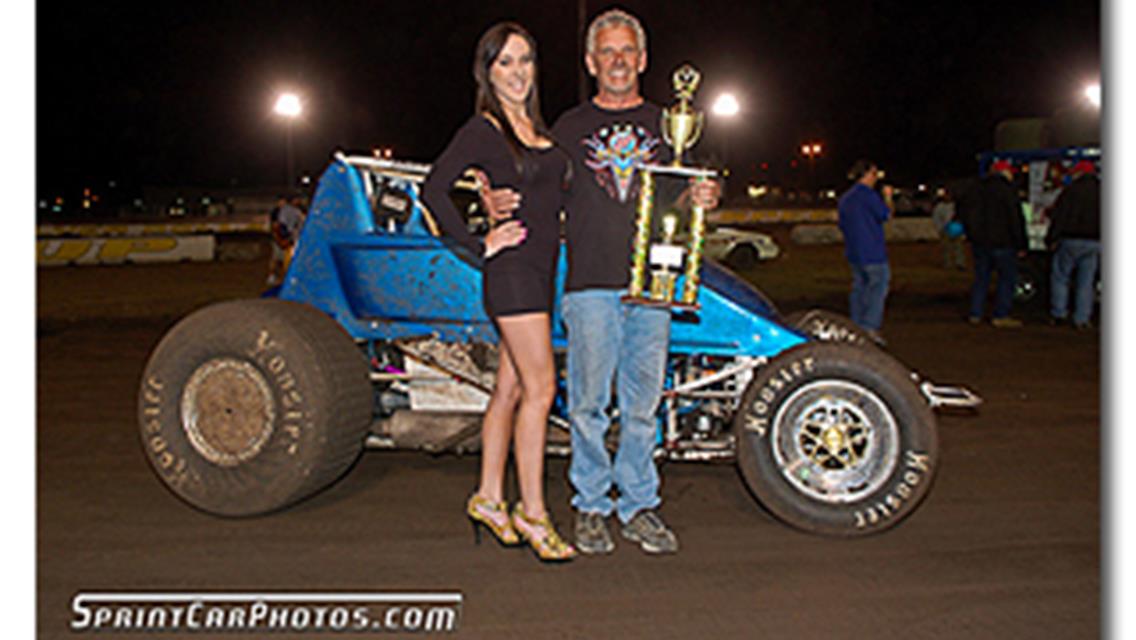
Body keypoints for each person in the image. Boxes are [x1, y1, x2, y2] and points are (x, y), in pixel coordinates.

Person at [484, 8, 720, 555]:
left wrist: (704, 197)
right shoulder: (565, 128)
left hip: (653, 287)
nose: (618, 61)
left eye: (627, 52)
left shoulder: (670, 126)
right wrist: (492, 195)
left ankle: (638, 504)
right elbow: (529, 182)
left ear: (642, 59)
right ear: (592, 63)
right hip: (589, 284)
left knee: (642, 404)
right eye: (607, 52)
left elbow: (683, 193)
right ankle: (590, 505)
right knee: (588, 404)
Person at [421, 22, 576, 562]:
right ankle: (534, 512)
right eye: (505, 62)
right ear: (487, 71)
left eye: (526, 60)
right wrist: (475, 242)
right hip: (510, 272)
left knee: (511, 392)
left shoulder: (538, 127)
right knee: (542, 389)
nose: (518, 72)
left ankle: (489, 497)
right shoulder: (484, 129)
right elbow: (434, 189)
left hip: (540, 271)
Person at [965, 159, 1027, 328]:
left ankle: (975, 313)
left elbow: (968, 214)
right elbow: (1015, 219)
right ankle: (1001, 314)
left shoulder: (977, 190)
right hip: (1003, 242)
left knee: (981, 279)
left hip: (981, 242)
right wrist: (1021, 244)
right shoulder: (1007, 191)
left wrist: (973, 236)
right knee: (1006, 280)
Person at [837, 159, 893, 343]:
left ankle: (857, 325)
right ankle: (870, 326)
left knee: (859, 288)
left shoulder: (846, 198)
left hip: (854, 250)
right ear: (868, 174)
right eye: (874, 174)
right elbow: (886, 215)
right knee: (877, 288)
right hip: (873, 250)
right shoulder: (868, 196)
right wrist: (888, 197)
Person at [1046, 160, 1100, 329]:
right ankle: (1082, 318)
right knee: (1086, 281)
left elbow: (1060, 216)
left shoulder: (1070, 191)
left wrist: (1051, 238)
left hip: (1070, 239)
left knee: (1061, 277)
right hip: (1095, 240)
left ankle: (1059, 313)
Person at [267, 195, 305, 286]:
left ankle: (285, 279)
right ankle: (273, 276)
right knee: (277, 259)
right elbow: (276, 226)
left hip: (290, 238)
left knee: (288, 260)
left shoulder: (296, 211)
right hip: (282, 238)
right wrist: (280, 239)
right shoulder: (278, 212)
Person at [931, 187, 966, 270]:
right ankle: (947, 263)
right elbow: (936, 218)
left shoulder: (956, 206)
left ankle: (960, 263)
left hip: (956, 228)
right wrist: (940, 228)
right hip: (945, 229)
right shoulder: (939, 207)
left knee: (958, 247)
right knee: (946, 248)